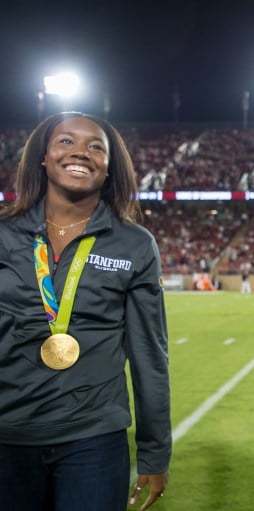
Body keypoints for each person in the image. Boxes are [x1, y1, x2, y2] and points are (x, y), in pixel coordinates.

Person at [0, 112, 171, 511]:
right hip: (8, 434)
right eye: (66, 141)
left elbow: (150, 356)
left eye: (96, 146)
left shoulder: (134, 245)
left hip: (94, 439)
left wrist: (155, 451)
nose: (81, 152)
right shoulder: (5, 233)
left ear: (110, 167)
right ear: (43, 156)